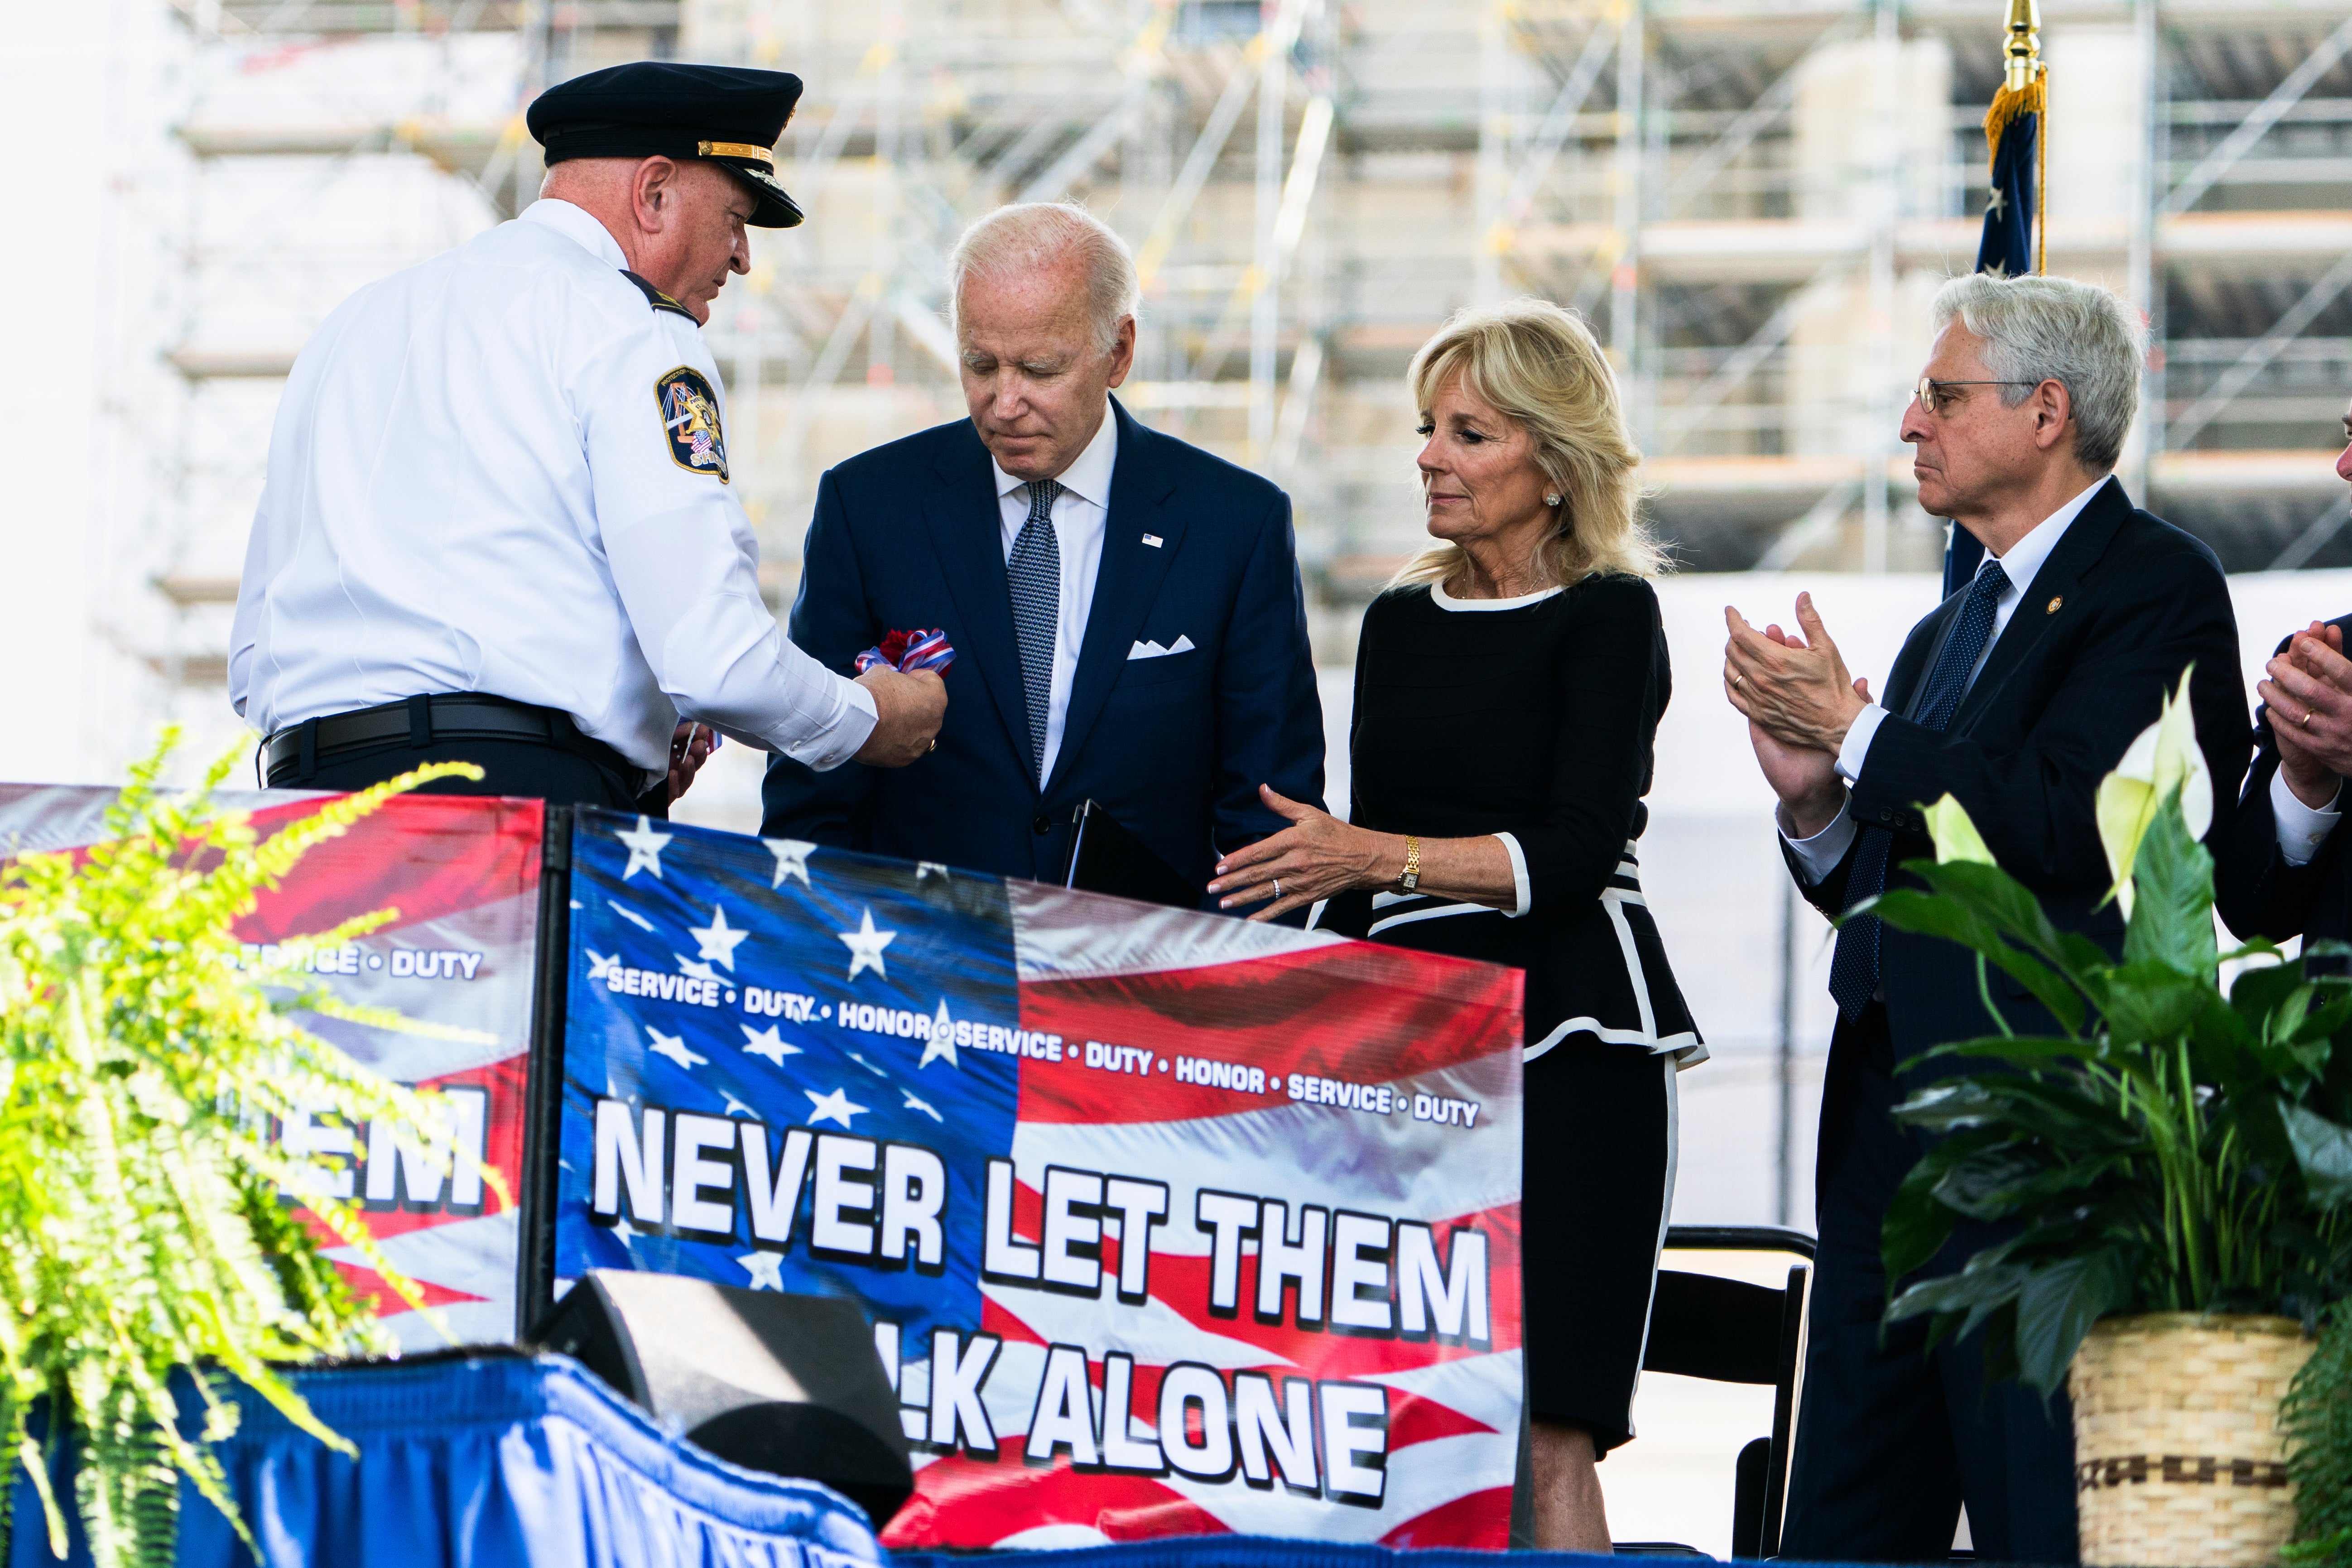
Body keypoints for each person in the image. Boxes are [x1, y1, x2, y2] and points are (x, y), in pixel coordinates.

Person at [1724, 272, 2247, 1563]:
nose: (1911, 423)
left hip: (2039, 1134)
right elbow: (1890, 888)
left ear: (2046, 411)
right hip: (1884, 1133)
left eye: (1943, 396)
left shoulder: (2159, 587)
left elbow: (2074, 824)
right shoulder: (1941, 630)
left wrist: (1856, 731)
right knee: (1841, 1512)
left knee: (2037, 1505)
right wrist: (1811, 804)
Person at [1207, 298, 1702, 1553]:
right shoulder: (1395, 622)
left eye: (1469, 432)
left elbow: (1580, 842)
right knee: (1406, 1409)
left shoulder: (1611, 615)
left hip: (1574, 1044)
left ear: (1552, 462)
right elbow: (1366, 856)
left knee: (1550, 1426)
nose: (1428, 452)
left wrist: (1362, 850)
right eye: (1429, 427)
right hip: (1414, 1049)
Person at [231, 61, 945, 811]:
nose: (741, 257)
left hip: (301, 815)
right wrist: (869, 717)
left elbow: (251, 661)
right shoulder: (631, 326)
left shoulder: (350, 327)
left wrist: (625, 740)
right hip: (506, 809)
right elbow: (715, 658)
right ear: (654, 193)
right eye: (734, 219)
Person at [758, 202, 1324, 893]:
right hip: (919, 972)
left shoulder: (1235, 524)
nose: (1003, 401)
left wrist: (1202, 996)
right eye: (979, 364)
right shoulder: (868, 505)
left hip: (1142, 981)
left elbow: (1269, 828)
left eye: (1039, 368)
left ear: (1119, 353)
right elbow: (811, 794)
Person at [2215, 403, 2352, 947]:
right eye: (2348, 434)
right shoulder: (2327, 660)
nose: (2344, 465)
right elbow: (2252, 916)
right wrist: (2306, 786)